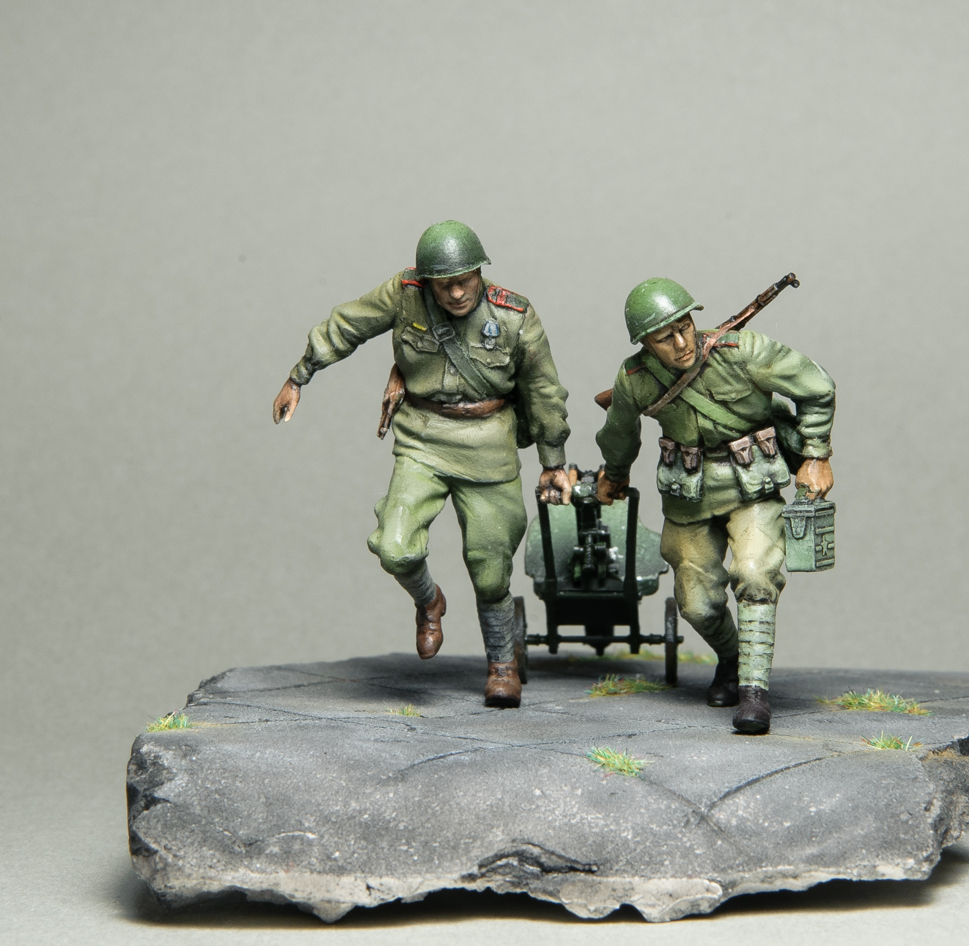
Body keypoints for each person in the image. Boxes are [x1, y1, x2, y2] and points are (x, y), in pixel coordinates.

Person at [272, 220, 574, 707]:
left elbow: (543, 390)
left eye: (465, 280)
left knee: (491, 567)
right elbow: (347, 324)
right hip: (422, 436)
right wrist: (299, 376)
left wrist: (552, 460)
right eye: (443, 283)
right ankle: (429, 601)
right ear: (427, 280)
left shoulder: (514, 315)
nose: (455, 293)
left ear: (480, 272)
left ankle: (502, 664)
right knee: (394, 547)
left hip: (488, 441)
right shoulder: (405, 294)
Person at [594, 278, 835, 734]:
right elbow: (620, 433)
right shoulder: (635, 379)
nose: (682, 343)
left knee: (756, 574)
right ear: (645, 343)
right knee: (698, 605)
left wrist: (816, 455)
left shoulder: (743, 352)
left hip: (753, 487)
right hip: (688, 495)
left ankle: (754, 693)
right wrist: (616, 475)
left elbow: (817, 386)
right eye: (665, 337)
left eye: (685, 327)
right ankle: (732, 658)